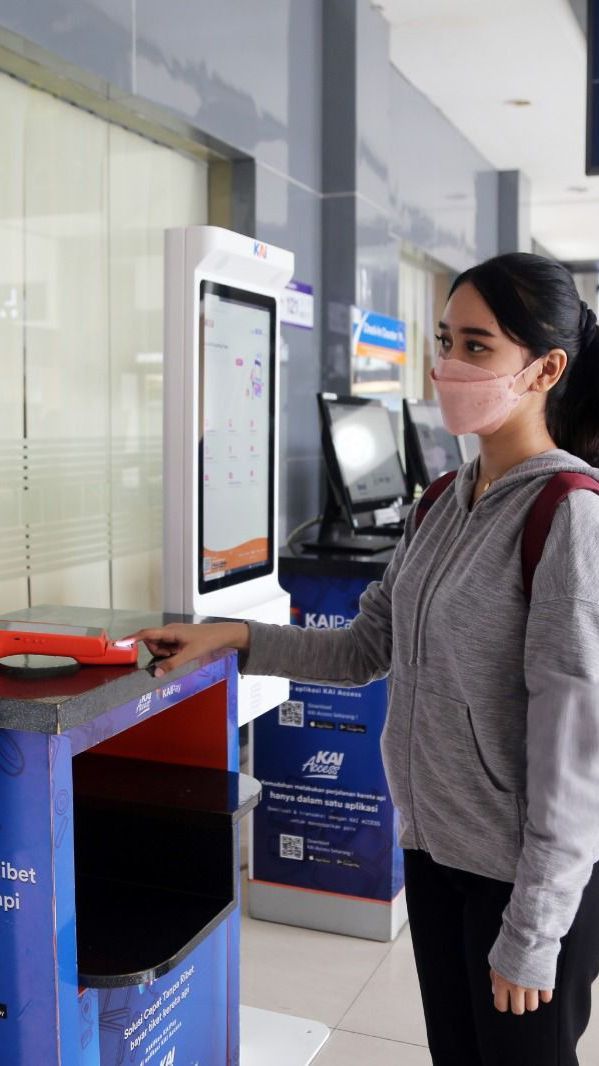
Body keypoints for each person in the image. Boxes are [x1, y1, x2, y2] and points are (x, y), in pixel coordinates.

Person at [130, 254, 599, 1066]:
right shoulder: (440, 504)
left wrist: (531, 931)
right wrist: (234, 638)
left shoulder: (567, 518)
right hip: (433, 852)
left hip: (518, 885)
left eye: (477, 348)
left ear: (545, 369)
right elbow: (363, 648)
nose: (448, 365)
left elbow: (577, 757)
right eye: (446, 340)